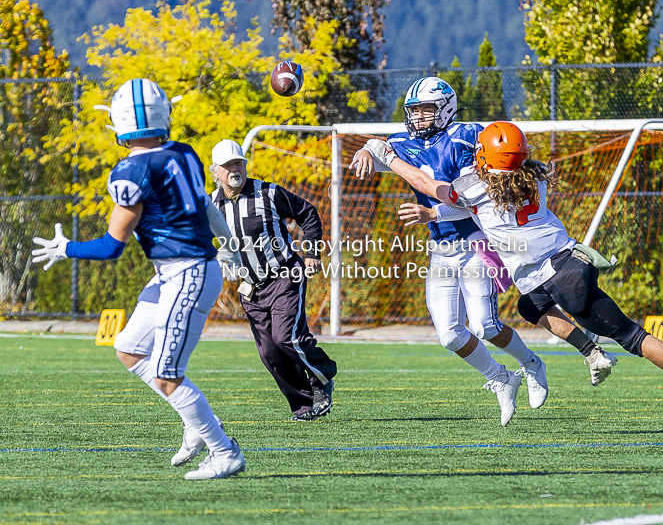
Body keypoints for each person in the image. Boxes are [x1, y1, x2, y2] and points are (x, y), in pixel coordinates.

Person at [360, 120, 663, 419]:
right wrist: (434, 212)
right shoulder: (533, 175)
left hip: (554, 275)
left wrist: (389, 157)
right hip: (565, 263)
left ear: (488, 160)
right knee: (529, 307)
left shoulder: (475, 188)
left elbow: (427, 183)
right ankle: (591, 352)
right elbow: (491, 186)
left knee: (631, 336)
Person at [31, 78, 246, 479]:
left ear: (118, 122)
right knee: (129, 348)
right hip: (178, 272)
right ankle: (192, 417)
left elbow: (113, 246)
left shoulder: (131, 170)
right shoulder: (184, 153)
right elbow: (205, 209)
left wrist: (67, 249)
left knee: (167, 376)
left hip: (188, 273)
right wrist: (229, 242)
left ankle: (223, 450)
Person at [350, 77, 555, 427]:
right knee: (448, 334)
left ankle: (532, 363)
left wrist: (431, 213)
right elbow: (379, 145)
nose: (418, 117)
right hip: (441, 249)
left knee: (485, 326)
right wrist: (366, 151)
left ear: (445, 107)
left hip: (476, 243)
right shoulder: (406, 142)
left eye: (426, 110)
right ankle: (500, 378)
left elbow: (469, 203)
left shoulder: (463, 138)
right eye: (414, 111)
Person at [209, 138, 337, 422]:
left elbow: (308, 213)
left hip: (285, 276)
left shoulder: (267, 193)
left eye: (238, 162)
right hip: (249, 288)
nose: (234, 168)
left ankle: (323, 376)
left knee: (285, 338)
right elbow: (200, 240)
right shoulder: (211, 205)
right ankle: (305, 405)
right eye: (228, 164)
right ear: (215, 171)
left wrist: (312, 252)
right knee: (269, 352)